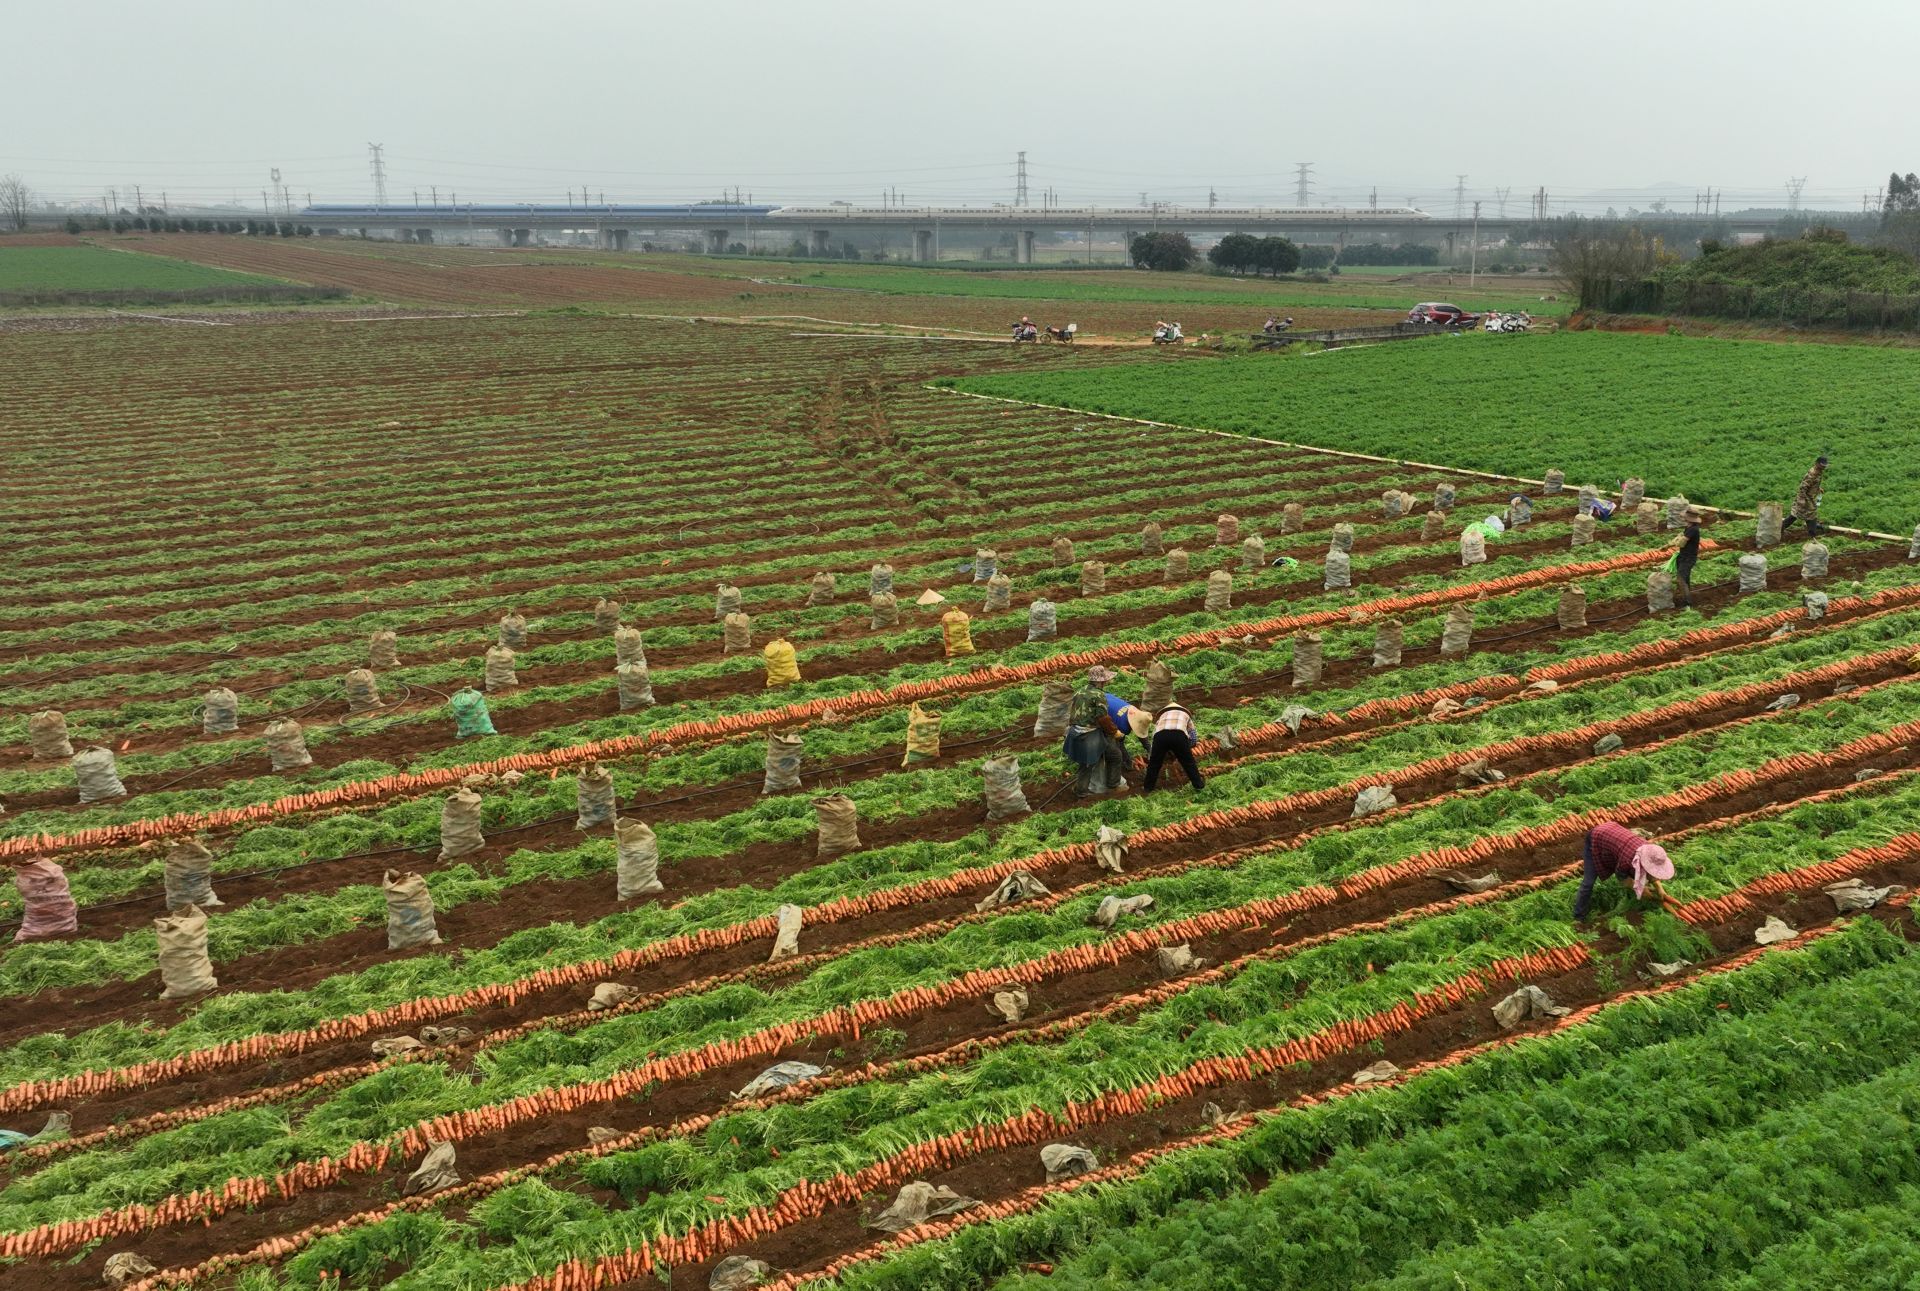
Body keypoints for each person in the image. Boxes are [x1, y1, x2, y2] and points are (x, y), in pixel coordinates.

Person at [1574, 820, 1675, 920]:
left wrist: (1660, 888)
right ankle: (1578, 917)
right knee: (1588, 882)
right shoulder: (1627, 860)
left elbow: (1651, 868)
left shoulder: (1648, 850)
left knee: (1634, 874)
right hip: (1596, 838)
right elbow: (1622, 877)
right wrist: (1639, 889)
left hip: (1612, 834)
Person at [1064, 666, 1129, 796]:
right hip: (1089, 733)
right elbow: (1103, 718)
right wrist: (1115, 732)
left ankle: (1081, 789)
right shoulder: (1099, 695)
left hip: (1074, 730)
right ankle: (1112, 785)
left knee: (1086, 762)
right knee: (1113, 756)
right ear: (1101, 681)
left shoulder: (1079, 691)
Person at [1143, 700, 1205, 793]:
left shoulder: (1162, 716)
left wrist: (1156, 751)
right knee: (1188, 762)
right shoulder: (1185, 714)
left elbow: (1154, 734)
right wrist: (1189, 746)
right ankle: (1198, 785)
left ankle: (1147, 788)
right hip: (1178, 735)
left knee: (1154, 763)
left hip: (1160, 736)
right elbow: (1192, 734)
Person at [1782, 455, 1827, 537]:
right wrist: (1802, 499)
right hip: (1806, 497)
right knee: (1809, 514)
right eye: (1822, 465)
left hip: (1809, 496)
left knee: (1797, 513)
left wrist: (1818, 488)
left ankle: (1781, 528)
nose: (1823, 467)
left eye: (1824, 466)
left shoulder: (1819, 471)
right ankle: (1812, 534)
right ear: (1816, 463)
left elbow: (1812, 483)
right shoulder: (1812, 473)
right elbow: (1803, 487)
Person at [1670, 514, 1702, 607]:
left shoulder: (1693, 529)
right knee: (1685, 578)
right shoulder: (1689, 527)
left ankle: (1687, 603)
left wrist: (1675, 541)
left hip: (1689, 558)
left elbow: (1682, 543)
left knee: (1681, 578)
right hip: (1683, 556)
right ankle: (1686, 597)